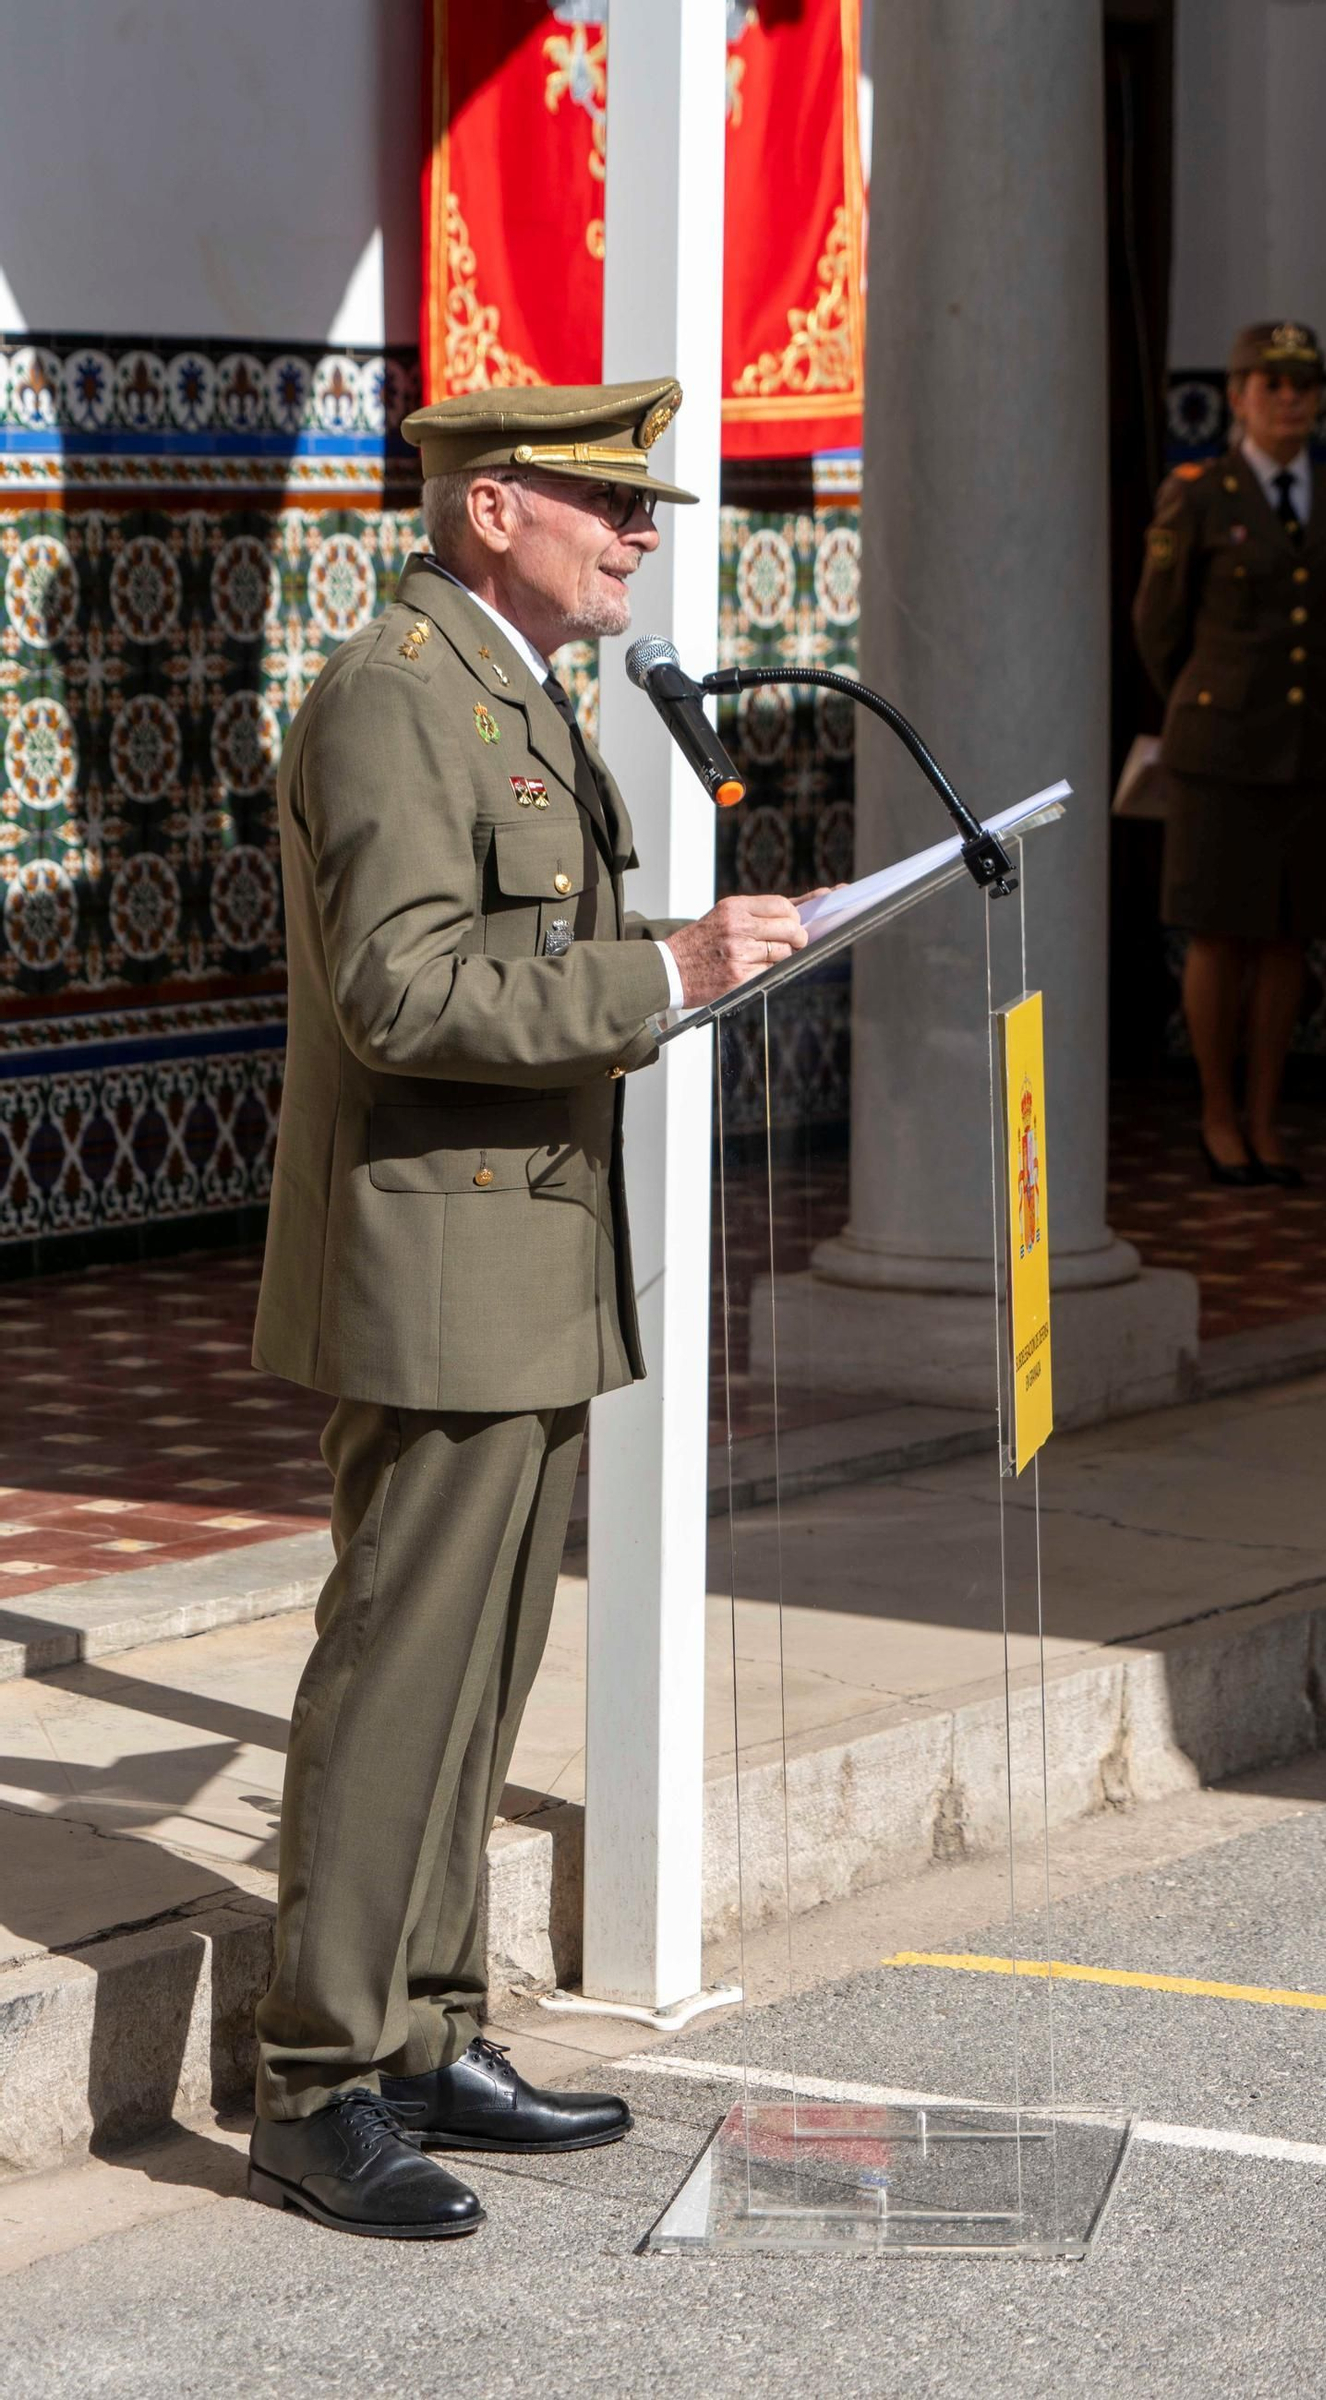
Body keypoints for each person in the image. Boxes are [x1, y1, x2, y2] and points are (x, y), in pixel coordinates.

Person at [246, 377, 808, 2241]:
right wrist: (664, 969)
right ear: (493, 508)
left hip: (518, 1252)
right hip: (431, 1264)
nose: (639, 532)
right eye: (605, 501)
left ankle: (426, 2027)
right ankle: (318, 2082)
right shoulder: (399, 696)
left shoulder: (501, 686)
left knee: (476, 1678)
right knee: (400, 1669)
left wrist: (659, 975)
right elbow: (406, 995)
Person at [1133, 321, 1326, 1186]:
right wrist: (1210, 701)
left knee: (1287, 938)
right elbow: (1158, 630)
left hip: (1313, 748)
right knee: (1221, 933)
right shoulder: (1200, 495)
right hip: (1222, 751)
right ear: (1237, 396)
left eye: (1303, 385)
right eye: (1271, 385)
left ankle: (1267, 1119)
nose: (1290, 400)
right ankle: (1217, 1115)